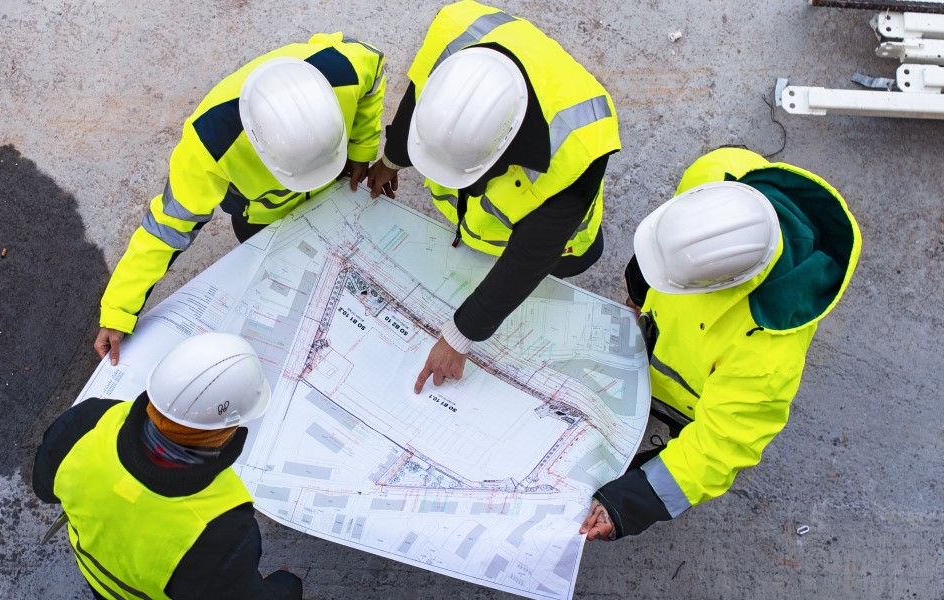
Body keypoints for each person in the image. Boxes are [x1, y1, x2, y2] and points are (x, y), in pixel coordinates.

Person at [579, 147, 862, 542]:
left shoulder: (765, 359)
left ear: (723, 285)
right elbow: (663, 245)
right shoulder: (715, 174)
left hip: (687, 403)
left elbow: (720, 445)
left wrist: (630, 502)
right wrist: (638, 291)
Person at [358, 1, 621, 393]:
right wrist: (393, 159)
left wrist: (458, 337)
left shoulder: (580, 143)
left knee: (573, 259)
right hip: (482, 214)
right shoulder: (455, 33)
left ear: (510, 148)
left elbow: (529, 257)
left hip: (559, 240)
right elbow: (420, 102)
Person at [97, 35, 388, 365]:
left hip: (330, 194)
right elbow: (165, 231)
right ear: (259, 147)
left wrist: (362, 151)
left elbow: (374, 71)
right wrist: (117, 312)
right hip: (260, 219)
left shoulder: (343, 70)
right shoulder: (208, 145)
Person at [34, 333, 300, 599]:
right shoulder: (222, 530)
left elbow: (43, 489)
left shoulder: (88, 423)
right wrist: (287, 586)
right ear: (230, 425)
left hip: (94, 576)